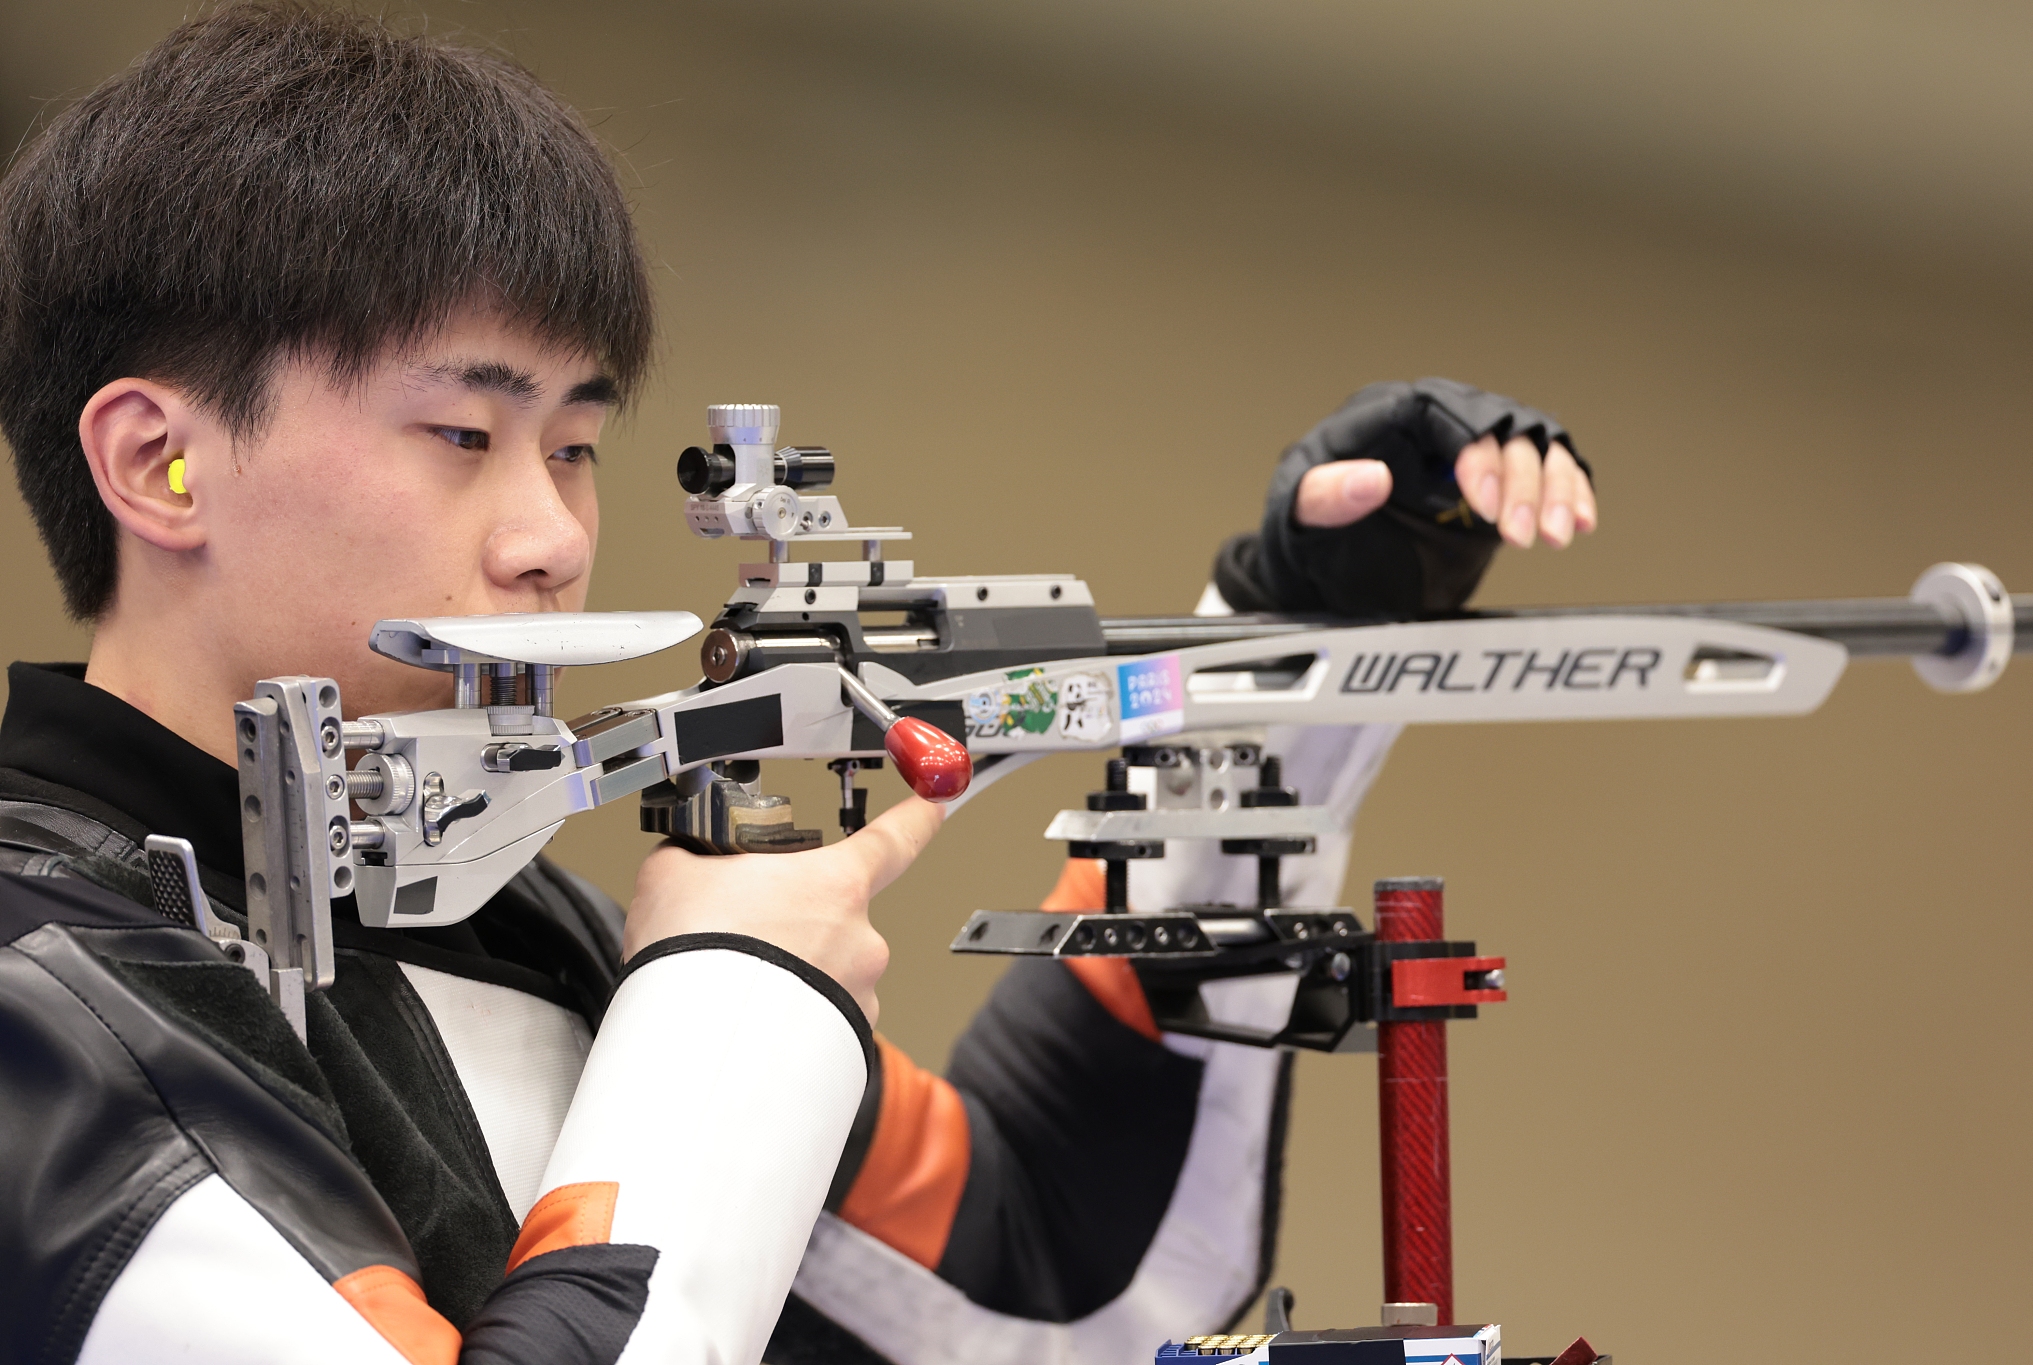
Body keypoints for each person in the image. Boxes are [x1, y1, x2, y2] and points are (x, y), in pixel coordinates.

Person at [0, 6, 1596, 1365]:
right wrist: (733, 1002)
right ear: (163, 463)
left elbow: (1064, 1285)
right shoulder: (38, 994)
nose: (555, 537)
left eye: (576, 446)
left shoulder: (537, 939)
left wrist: (1281, 643)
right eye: (464, 437)